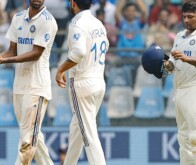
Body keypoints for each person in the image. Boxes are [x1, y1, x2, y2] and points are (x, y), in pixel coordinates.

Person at [0, 0, 58, 164]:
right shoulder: (18, 17)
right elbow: (12, 50)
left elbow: (36, 53)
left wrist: (3, 62)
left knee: (27, 139)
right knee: (34, 136)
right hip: (19, 86)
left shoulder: (48, 21)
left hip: (36, 87)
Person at [142, 1, 196, 164]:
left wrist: (189, 59)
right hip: (181, 90)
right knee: (184, 139)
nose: (186, 20)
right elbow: (173, 64)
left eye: (191, 17)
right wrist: (163, 66)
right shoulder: (179, 36)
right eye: (184, 16)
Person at [55, 0, 109, 164]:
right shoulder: (97, 22)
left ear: (73, 3)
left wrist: (61, 69)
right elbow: (105, 45)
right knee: (77, 129)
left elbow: (78, 52)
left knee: (89, 134)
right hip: (99, 80)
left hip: (82, 83)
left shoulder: (77, 23)